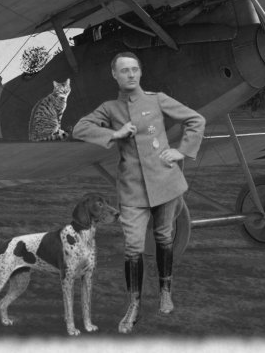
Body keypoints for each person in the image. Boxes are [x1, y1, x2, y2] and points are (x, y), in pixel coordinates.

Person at [72, 52, 205, 334]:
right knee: (133, 248)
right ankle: (133, 307)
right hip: (132, 189)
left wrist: (181, 151)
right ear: (115, 76)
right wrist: (115, 134)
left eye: (134, 70)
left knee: (163, 237)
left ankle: (166, 291)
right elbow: (79, 128)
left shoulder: (157, 99)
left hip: (165, 183)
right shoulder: (109, 108)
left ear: (140, 73)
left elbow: (196, 120)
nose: (130, 74)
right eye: (124, 71)